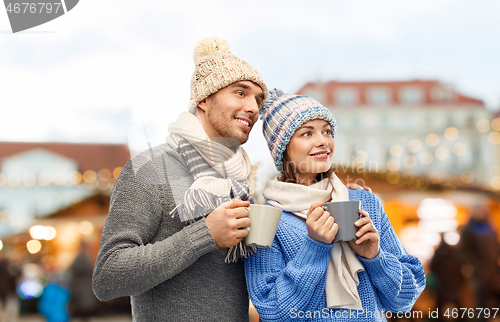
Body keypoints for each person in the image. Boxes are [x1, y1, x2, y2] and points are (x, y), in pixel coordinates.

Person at [244, 89, 426, 321]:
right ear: (283, 148)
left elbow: (404, 299)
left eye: (327, 131)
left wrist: (375, 257)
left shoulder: (364, 202)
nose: (323, 141)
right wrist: (315, 247)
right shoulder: (263, 220)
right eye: (307, 134)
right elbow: (273, 312)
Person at [458, 204, 500, 320]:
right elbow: (463, 252)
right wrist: (479, 266)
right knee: (481, 303)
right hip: (480, 273)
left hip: (494, 271)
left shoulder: (489, 227)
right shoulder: (468, 229)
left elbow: (496, 246)